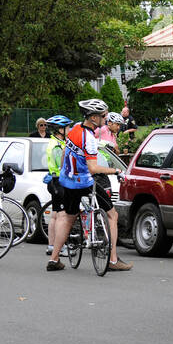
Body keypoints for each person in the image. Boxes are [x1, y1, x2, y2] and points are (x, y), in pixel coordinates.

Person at [47, 99, 131, 271]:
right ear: (93, 118)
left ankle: (54, 260)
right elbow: (93, 169)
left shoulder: (75, 129)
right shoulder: (90, 139)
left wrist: (65, 171)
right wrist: (116, 171)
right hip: (84, 181)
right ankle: (113, 260)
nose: (106, 119)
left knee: (67, 218)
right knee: (112, 215)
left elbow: (64, 153)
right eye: (103, 116)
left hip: (67, 181)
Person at [42, 115, 72, 256]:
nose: (69, 129)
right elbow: (62, 165)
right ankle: (60, 248)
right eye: (67, 127)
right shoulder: (58, 146)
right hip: (59, 182)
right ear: (60, 129)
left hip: (54, 181)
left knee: (55, 215)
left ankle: (51, 245)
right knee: (62, 217)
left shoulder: (54, 142)